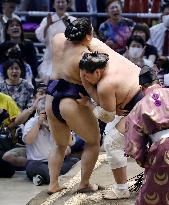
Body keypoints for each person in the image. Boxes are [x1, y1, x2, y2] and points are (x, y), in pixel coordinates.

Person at [45, 17, 101, 194]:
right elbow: (93, 81)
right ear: (87, 36)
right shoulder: (87, 55)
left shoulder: (57, 39)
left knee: (59, 144)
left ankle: (53, 184)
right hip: (72, 100)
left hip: (51, 97)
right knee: (93, 142)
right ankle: (84, 183)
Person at [78, 49, 142, 199]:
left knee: (112, 141)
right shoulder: (113, 63)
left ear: (98, 72)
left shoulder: (104, 85)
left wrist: (89, 103)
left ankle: (121, 189)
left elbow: (107, 116)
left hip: (142, 107)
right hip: (152, 98)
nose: (85, 79)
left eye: (87, 76)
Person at [23, 96, 79, 186]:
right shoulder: (32, 122)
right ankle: (56, 177)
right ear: (38, 112)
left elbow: (70, 143)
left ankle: (43, 177)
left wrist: (57, 128)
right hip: (38, 162)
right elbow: (28, 141)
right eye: (45, 113)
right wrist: (38, 124)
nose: (47, 116)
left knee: (76, 162)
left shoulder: (59, 122)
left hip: (58, 162)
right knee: (32, 167)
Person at [35, 0, 76, 84]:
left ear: (67, 4)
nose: (60, 4)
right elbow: (40, 37)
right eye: (58, 2)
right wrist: (47, 25)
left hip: (69, 58)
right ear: (53, 5)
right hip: (51, 58)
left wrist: (68, 25)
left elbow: (77, 38)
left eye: (63, 2)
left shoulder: (73, 20)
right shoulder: (47, 20)